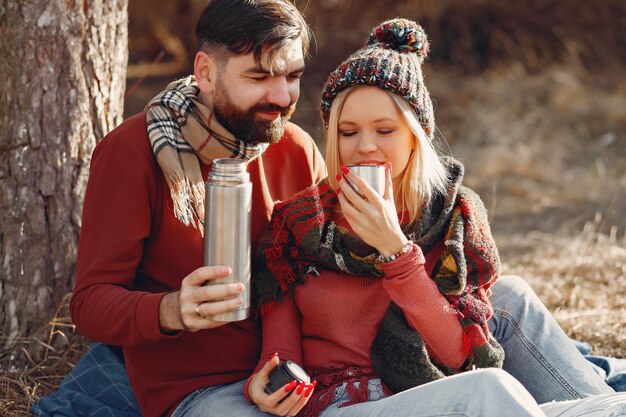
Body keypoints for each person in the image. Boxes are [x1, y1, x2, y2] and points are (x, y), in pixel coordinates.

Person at [246, 18, 626, 417]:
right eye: (348, 131)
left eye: (385, 130)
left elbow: (458, 354)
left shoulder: (451, 218)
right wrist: (268, 382)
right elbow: (279, 354)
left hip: (430, 390)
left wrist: (397, 252)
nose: (365, 147)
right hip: (343, 403)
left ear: (415, 139)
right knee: (487, 388)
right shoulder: (298, 224)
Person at [34, 1, 325, 417]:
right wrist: (172, 310)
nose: (282, 96)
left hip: (296, 377)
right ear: (206, 72)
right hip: (199, 391)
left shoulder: (296, 148)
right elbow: (90, 304)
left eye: (293, 76)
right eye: (259, 76)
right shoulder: (133, 153)